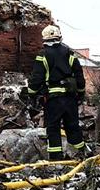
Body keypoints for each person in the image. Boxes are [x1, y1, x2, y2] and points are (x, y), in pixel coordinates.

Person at [27, 25, 89, 160]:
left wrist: (31, 93)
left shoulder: (42, 55)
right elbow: (79, 75)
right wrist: (81, 93)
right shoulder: (70, 54)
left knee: (53, 129)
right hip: (70, 98)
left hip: (53, 100)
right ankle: (84, 156)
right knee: (73, 127)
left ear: (44, 39)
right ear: (60, 37)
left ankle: (56, 161)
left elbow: (36, 78)